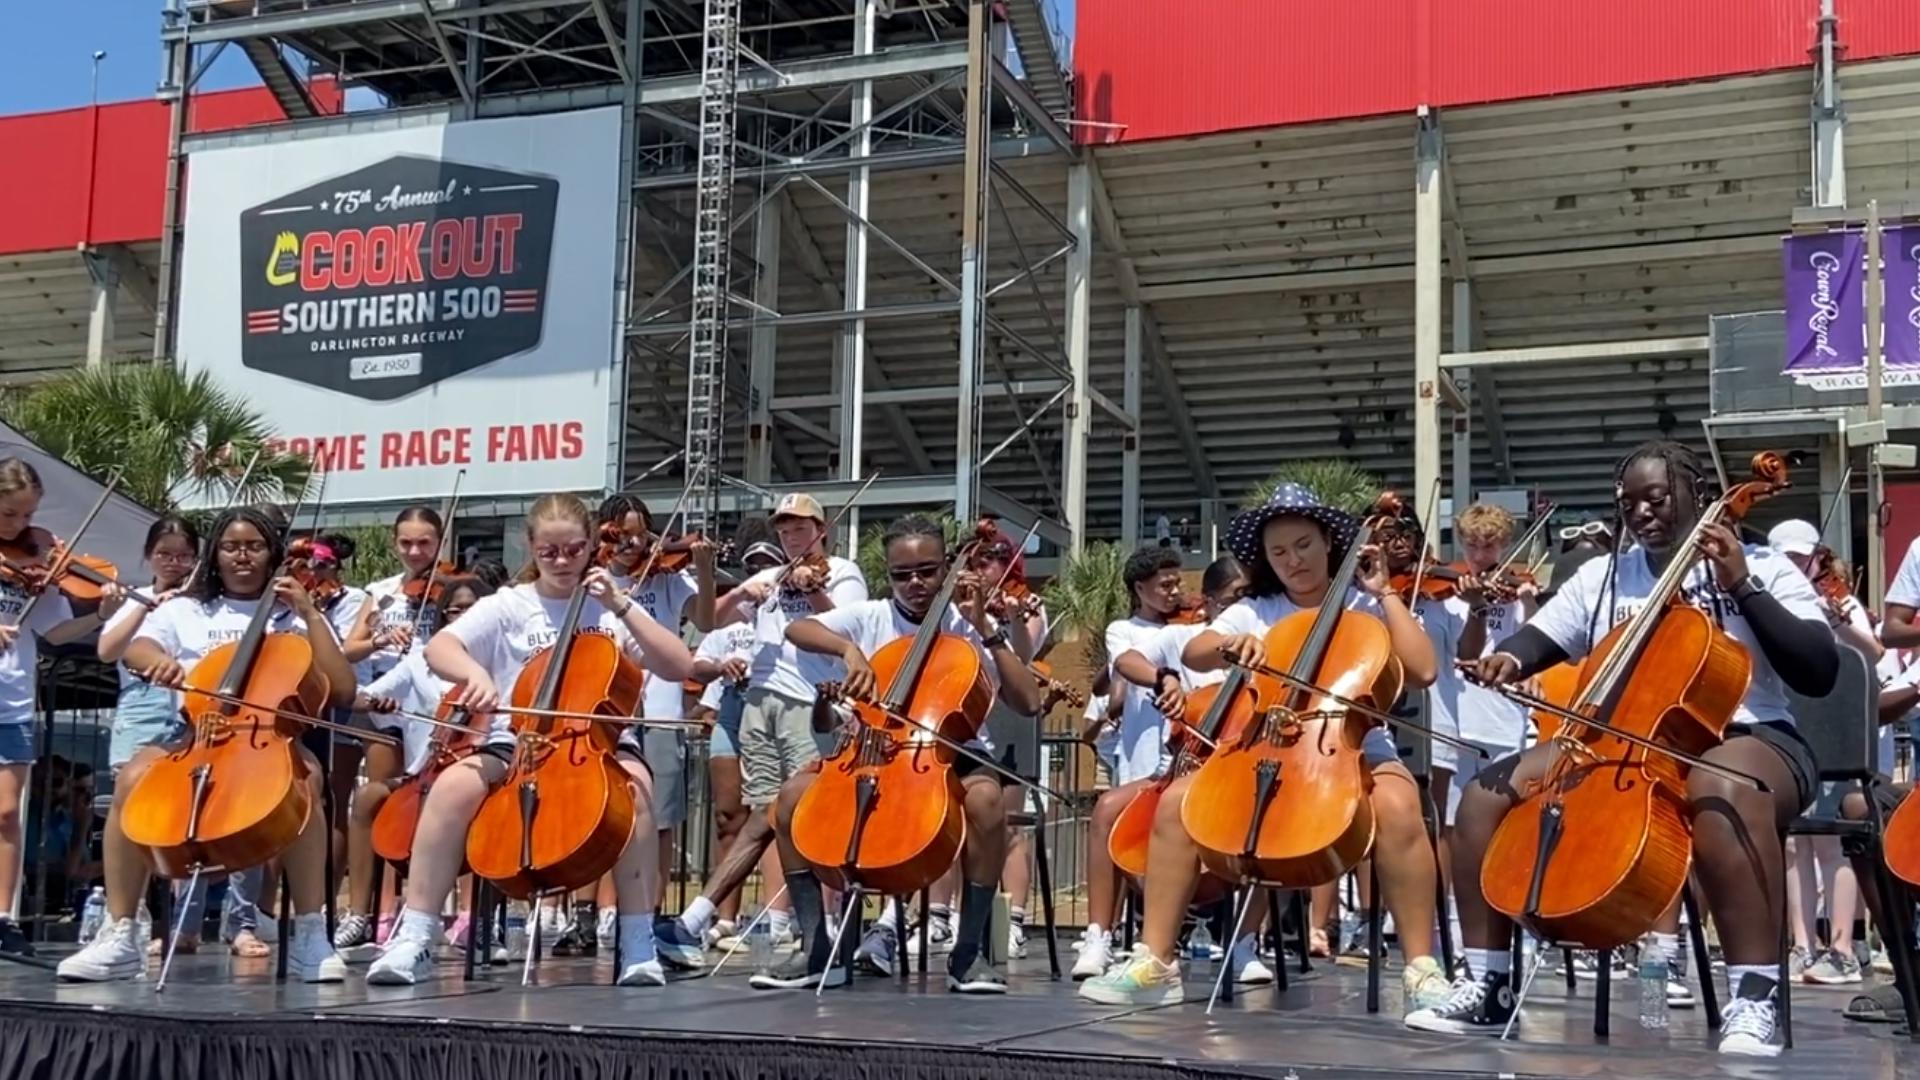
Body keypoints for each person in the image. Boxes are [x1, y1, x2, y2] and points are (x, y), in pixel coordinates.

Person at [1416, 440, 1838, 1057]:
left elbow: (1818, 670)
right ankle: (1488, 983)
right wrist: (1509, 657)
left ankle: (1756, 996)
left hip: (1753, 737)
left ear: (1697, 492)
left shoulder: (1763, 564)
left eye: (1657, 497)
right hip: (1622, 743)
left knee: (1719, 789)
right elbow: (1544, 636)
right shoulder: (1606, 573)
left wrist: (1742, 586)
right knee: (1484, 796)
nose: (1641, 512)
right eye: (1629, 502)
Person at [1079, 484, 1447, 1020]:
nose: (1292, 560)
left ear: (1328, 541)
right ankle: (1156, 962)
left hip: (1351, 742)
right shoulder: (1257, 608)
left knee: (1398, 804)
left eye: (1303, 545)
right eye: (1279, 552)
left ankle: (1421, 969)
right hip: (1267, 745)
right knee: (1180, 799)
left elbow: (1423, 670)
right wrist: (1230, 645)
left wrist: (1385, 591)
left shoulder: (1364, 605)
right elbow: (1197, 652)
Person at [363, 494, 695, 988]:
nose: (562, 563)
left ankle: (638, 939)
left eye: (574, 551)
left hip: (596, 740)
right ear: (531, 547)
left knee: (638, 791)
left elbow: (679, 665)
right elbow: (440, 647)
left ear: (591, 547)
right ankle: (416, 934)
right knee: (452, 786)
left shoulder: (611, 607)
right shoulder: (510, 606)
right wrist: (474, 672)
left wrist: (622, 604)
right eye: (549, 553)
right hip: (514, 739)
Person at [59, 505, 358, 982]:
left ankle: (309, 932)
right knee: (133, 777)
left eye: (254, 546)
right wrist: (158, 661)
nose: (243, 556)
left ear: (272, 553)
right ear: (215, 554)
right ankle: (120, 933)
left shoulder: (294, 617)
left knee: (308, 782)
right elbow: (138, 647)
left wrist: (307, 610)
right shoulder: (186, 608)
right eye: (231, 546)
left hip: (267, 737)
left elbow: (342, 689)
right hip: (193, 733)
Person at [767, 514, 1043, 993]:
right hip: (873, 747)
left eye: (928, 571)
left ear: (948, 570)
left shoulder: (970, 624)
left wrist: (988, 630)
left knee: (987, 802)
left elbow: (1029, 701)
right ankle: (816, 947)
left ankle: (968, 951)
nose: (915, 583)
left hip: (950, 749)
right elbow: (800, 630)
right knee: (791, 796)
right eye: (902, 575)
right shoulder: (872, 616)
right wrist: (849, 651)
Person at [655, 493, 867, 968]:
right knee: (768, 813)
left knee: (803, 812)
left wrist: (812, 590)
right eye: (784, 528)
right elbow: (706, 620)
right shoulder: (768, 576)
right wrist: (724, 584)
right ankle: (711, 919)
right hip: (759, 704)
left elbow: (849, 632)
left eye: (800, 527)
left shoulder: (842, 569)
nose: (791, 535)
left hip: (809, 701)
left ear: (821, 529)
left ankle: (812, 924)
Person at [1074, 555, 1253, 982]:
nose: (1236, 612)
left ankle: (1245, 942)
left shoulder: (1262, 632)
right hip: (1173, 766)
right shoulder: (1182, 638)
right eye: (1228, 602)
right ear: (1209, 604)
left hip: (1236, 773)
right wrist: (1165, 677)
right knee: (1107, 811)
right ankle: (1099, 934)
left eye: (1244, 599)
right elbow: (1125, 663)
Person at [0, 460, 129, 958]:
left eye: (27, 514)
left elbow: (53, 633)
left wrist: (101, 613)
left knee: (9, 813)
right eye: (10, 515)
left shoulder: (36, 561)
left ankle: (5, 918)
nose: (22, 528)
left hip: (12, 698)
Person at [336, 574, 493, 961]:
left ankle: (474, 917)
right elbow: (361, 697)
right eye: (454, 609)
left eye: (471, 608)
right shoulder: (422, 660)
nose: (461, 615)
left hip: (478, 774)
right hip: (421, 774)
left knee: (476, 802)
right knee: (370, 795)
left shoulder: (498, 657)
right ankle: (359, 914)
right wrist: (373, 704)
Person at [596, 494, 715, 945]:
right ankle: (607, 908)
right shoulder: (595, 577)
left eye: (641, 532)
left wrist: (702, 569)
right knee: (612, 814)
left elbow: (704, 621)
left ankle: (648, 908)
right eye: (621, 533)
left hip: (661, 707)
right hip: (609, 707)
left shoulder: (668, 578)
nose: (633, 542)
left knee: (660, 817)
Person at [338, 506, 449, 954]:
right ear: (394, 543)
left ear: (439, 542)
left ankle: (417, 908)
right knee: (381, 799)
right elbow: (350, 649)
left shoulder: (454, 587)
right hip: (388, 701)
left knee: (432, 806)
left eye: (424, 543)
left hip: (438, 704)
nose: (415, 551)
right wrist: (382, 639)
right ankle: (365, 913)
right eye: (406, 543)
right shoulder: (381, 593)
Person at [1769, 518, 1875, 985]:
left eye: (1802, 557)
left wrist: (1840, 625)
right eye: (1786, 557)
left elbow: (1871, 655)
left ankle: (1841, 946)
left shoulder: (1840, 602)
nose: (1796, 565)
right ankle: (1801, 944)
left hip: (1835, 726)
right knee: (1795, 845)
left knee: (1834, 841)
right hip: (1792, 723)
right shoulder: (1767, 600)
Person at [95, 516, 206, 953]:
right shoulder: (137, 600)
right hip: (142, 705)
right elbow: (108, 651)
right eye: (165, 555)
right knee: (133, 811)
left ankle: (182, 923)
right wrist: (146, 603)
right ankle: (128, 914)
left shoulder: (199, 603)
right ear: (148, 557)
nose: (175, 563)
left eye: (184, 556)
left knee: (187, 819)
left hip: (190, 704)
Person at [685, 539, 785, 945]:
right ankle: (725, 919)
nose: (757, 571)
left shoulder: (786, 615)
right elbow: (697, 662)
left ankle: (780, 917)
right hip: (732, 706)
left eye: (767, 565)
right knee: (729, 816)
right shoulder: (731, 621)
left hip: (773, 706)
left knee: (776, 814)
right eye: (751, 565)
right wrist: (721, 665)